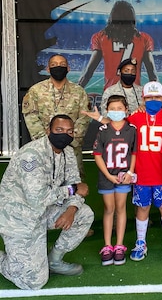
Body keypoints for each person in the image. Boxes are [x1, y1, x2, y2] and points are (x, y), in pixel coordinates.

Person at [0, 115, 94, 290]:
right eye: (59, 130)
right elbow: (38, 198)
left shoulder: (67, 152)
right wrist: (72, 189)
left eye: (69, 131)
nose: (64, 135)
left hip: (46, 210)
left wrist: (72, 209)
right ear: (47, 131)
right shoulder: (31, 156)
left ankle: (54, 260)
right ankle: (9, 261)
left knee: (84, 214)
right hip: (20, 217)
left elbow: (74, 182)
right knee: (33, 282)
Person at [128, 81, 162, 262]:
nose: (153, 100)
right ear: (143, 99)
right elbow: (119, 128)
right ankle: (141, 242)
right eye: (149, 97)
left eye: (157, 97)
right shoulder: (135, 117)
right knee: (142, 208)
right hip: (142, 173)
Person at [22, 54, 90, 180]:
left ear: (68, 68)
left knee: (74, 186)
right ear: (48, 69)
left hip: (71, 149)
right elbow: (31, 118)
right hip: (44, 150)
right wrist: (47, 143)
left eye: (62, 65)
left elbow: (84, 118)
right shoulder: (35, 91)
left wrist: (71, 140)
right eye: (54, 65)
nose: (58, 67)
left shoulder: (79, 91)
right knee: (44, 183)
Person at [93, 95, 137, 266]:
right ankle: (107, 245)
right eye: (113, 108)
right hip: (107, 176)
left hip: (123, 175)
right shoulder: (103, 130)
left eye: (120, 108)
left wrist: (130, 171)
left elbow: (134, 153)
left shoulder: (131, 129)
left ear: (126, 110)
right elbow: (97, 155)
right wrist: (108, 175)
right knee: (109, 208)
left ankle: (119, 245)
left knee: (121, 208)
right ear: (107, 110)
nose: (116, 111)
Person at [78, 0, 157, 89]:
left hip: (111, 93)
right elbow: (152, 73)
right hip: (134, 93)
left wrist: (77, 90)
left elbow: (89, 71)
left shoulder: (100, 37)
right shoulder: (144, 38)